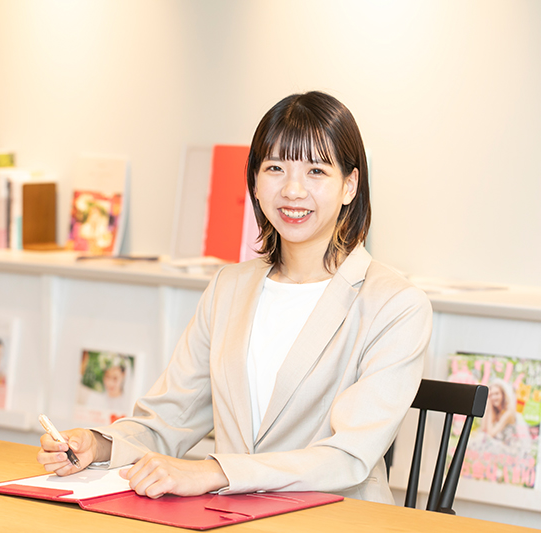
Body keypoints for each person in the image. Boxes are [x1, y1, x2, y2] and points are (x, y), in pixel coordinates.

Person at [38, 91, 432, 504]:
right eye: (275, 168)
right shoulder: (228, 288)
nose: (293, 190)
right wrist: (99, 445)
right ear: (255, 184)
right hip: (231, 517)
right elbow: (170, 417)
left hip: (338, 519)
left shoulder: (396, 305)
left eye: (316, 171)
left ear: (349, 185)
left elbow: (348, 457)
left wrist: (215, 471)